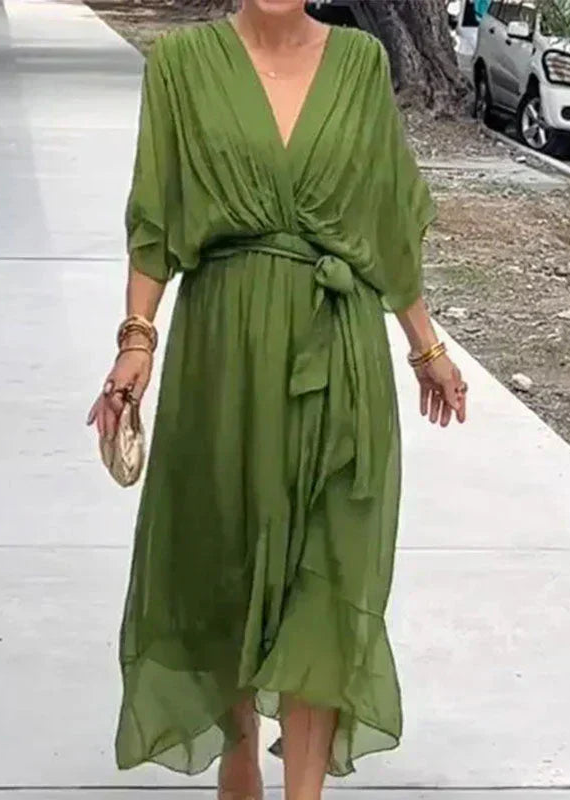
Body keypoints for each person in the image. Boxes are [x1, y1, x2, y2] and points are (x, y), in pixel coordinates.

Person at [86, 2, 468, 798]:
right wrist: (136, 341)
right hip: (223, 352)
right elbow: (155, 217)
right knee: (226, 562)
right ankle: (238, 760)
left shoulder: (361, 63)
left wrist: (425, 345)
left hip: (341, 353)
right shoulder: (182, 67)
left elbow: (386, 221)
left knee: (330, 572)